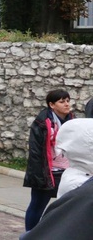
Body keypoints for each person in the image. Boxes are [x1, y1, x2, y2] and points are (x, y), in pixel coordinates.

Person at [23, 89, 73, 231]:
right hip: (46, 170)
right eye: (62, 102)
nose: (66, 104)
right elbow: (36, 151)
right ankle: (30, 234)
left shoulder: (72, 120)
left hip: (67, 171)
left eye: (68, 101)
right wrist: (40, 174)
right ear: (52, 105)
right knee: (37, 205)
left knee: (66, 206)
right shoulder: (41, 122)